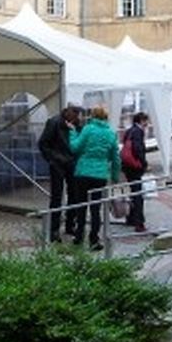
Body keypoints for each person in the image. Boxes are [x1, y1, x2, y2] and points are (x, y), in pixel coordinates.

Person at [67, 105, 121, 251]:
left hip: (83, 173)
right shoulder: (111, 134)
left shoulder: (88, 129)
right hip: (100, 175)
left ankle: (78, 238)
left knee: (81, 207)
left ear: (93, 116)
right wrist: (115, 176)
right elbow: (115, 157)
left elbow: (74, 148)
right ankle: (94, 240)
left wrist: (72, 133)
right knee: (96, 209)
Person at [38, 104, 81, 243]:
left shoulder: (76, 124)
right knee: (56, 197)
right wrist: (52, 159)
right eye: (74, 113)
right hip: (58, 164)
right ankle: (54, 230)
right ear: (68, 111)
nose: (76, 117)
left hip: (71, 163)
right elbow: (43, 143)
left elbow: (79, 142)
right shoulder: (54, 122)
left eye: (77, 114)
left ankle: (70, 225)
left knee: (74, 194)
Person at [121, 111, 150, 232]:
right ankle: (139, 223)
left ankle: (131, 218)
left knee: (133, 192)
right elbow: (138, 149)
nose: (147, 123)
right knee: (138, 194)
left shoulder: (129, 130)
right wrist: (144, 163)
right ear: (141, 121)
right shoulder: (138, 132)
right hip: (134, 167)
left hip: (127, 166)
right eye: (146, 121)